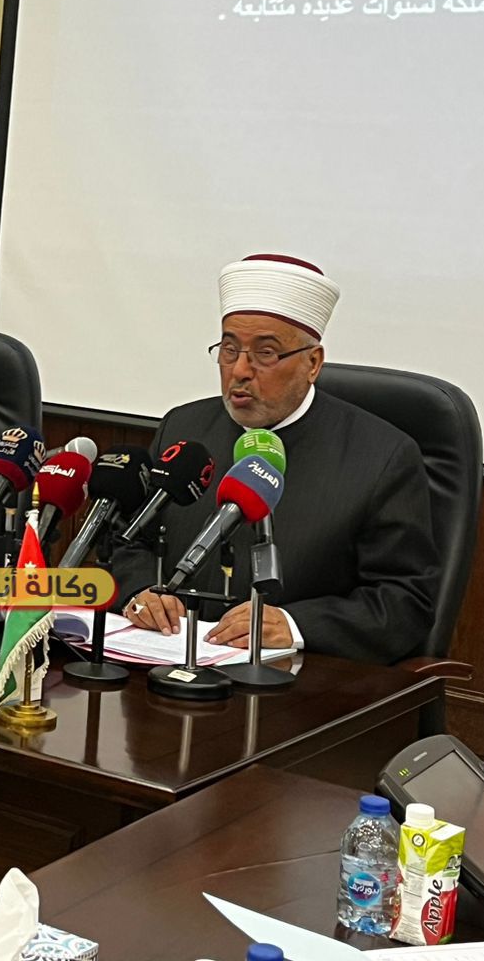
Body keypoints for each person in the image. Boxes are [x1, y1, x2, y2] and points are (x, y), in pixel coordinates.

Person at [110, 255, 439, 665]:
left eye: (265, 353)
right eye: (229, 349)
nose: (239, 370)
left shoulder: (381, 456)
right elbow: (127, 541)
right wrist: (140, 590)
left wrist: (296, 625)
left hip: (295, 680)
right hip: (162, 663)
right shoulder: (184, 427)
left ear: (313, 363)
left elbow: (405, 600)